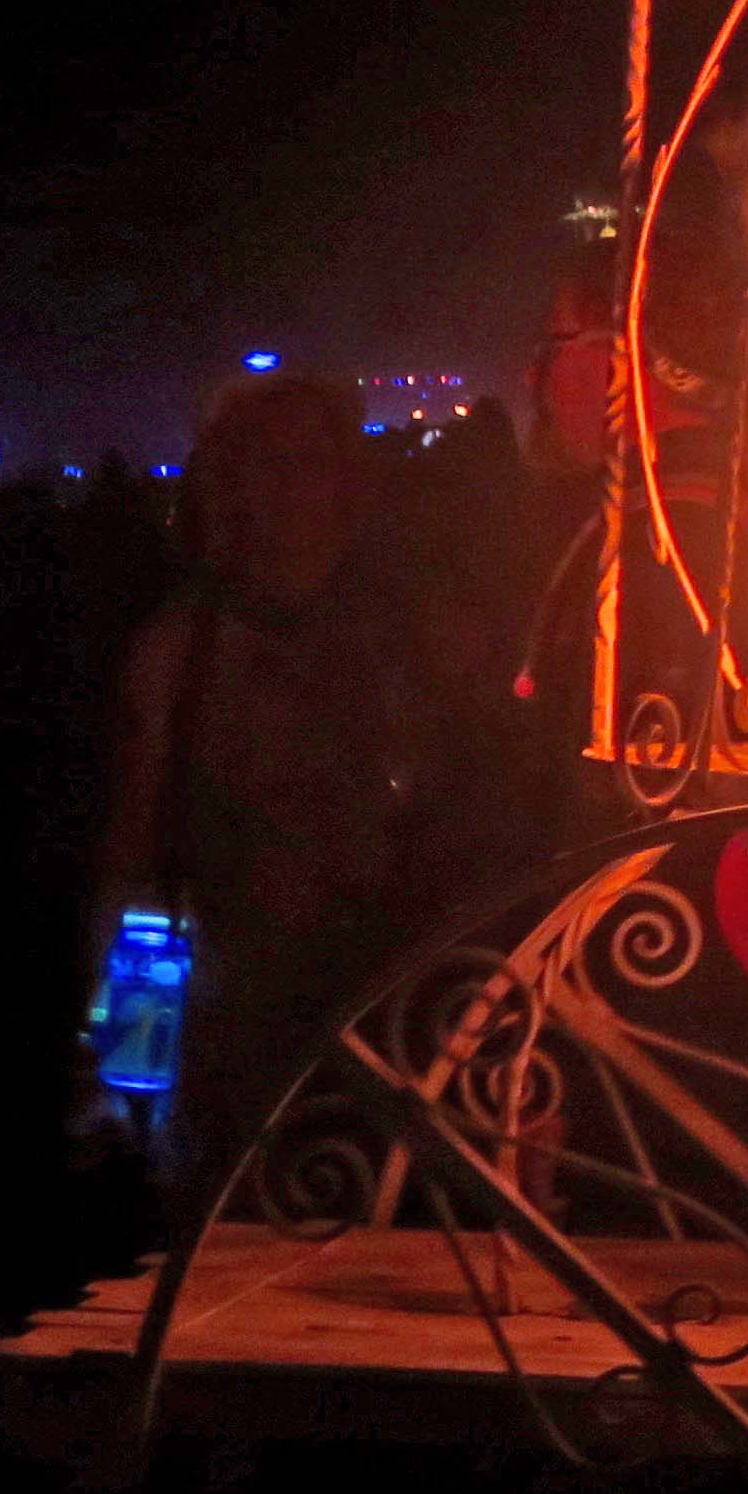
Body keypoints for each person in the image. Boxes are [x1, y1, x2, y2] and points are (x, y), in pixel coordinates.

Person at [93, 372, 461, 1185]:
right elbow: (135, 864)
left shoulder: (400, 642)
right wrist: (121, 1060)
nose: (293, 488)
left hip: (381, 1016)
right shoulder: (178, 655)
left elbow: (440, 812)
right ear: (232, 485)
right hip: (233, 1030)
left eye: (311, 462)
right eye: (268, 464)